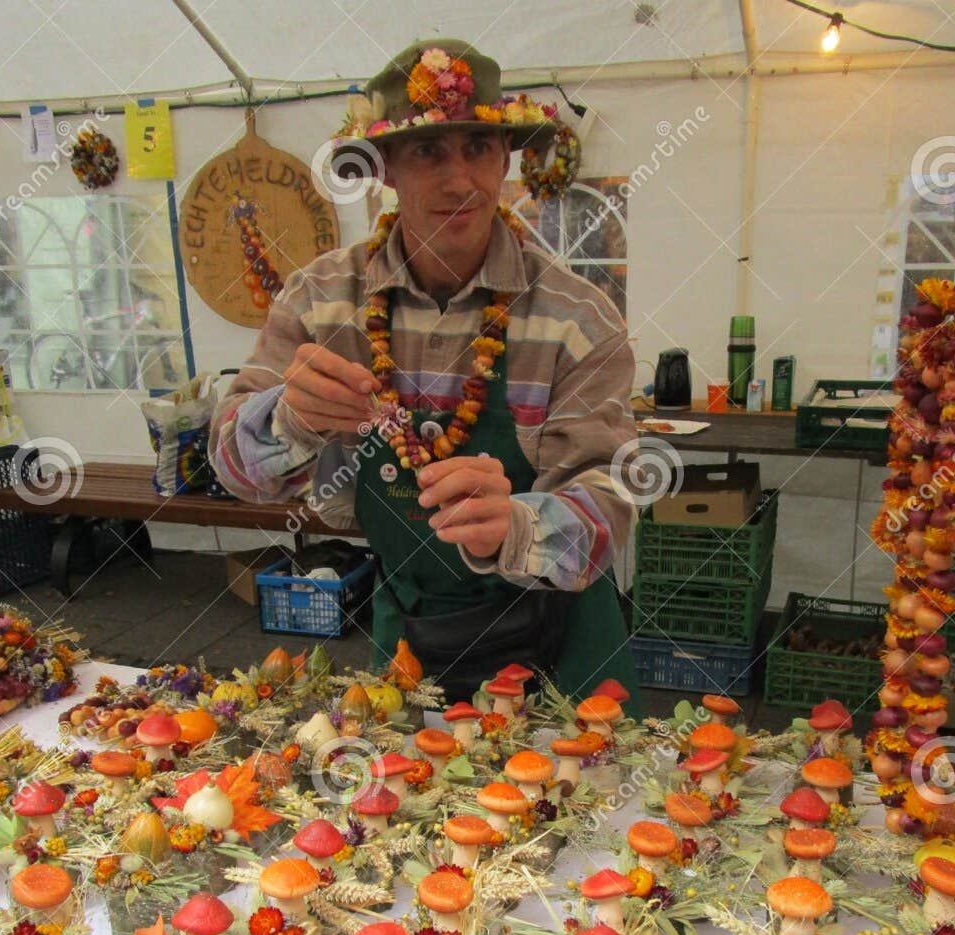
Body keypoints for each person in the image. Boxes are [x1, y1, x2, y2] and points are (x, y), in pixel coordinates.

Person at [210, 39, 643, 713]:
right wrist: (289, 420)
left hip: (565, 647)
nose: (458, 180)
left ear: (506, 158)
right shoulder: (322, 302)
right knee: (405, 811)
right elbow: (234, 471)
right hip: (414, 638)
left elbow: (612, 500)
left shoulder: (576, 318)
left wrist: (519, 528)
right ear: (383, 166)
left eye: (477, 148)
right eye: (429, 152)